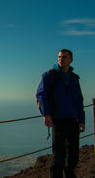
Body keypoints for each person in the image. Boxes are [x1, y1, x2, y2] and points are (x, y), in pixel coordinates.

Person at [36, 49, 85, 178]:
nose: (60, 59)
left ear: (71, 59)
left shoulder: (74, 78)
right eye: (59, 57)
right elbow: (41, 95)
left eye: (64, 57)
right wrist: (46, 114)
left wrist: (81, 120)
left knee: (74, 154)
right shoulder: (49, 76)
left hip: (73, 121)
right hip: (58, 120)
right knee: (59, 155)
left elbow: (79, 100)